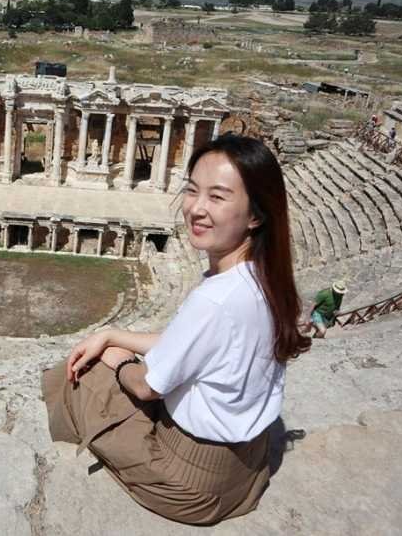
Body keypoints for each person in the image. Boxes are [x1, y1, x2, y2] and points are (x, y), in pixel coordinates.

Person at [42, 134, 311, 525]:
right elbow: (187, 347)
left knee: (80, 377)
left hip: (188, 483)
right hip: (245, 470)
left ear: (255, 215)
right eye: (192, 190)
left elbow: (146, 387)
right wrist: (113, 335)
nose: (196, 208)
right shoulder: (266, 279)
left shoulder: (215, 301)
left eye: (217, 197)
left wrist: (119, 361)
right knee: (106, 353)